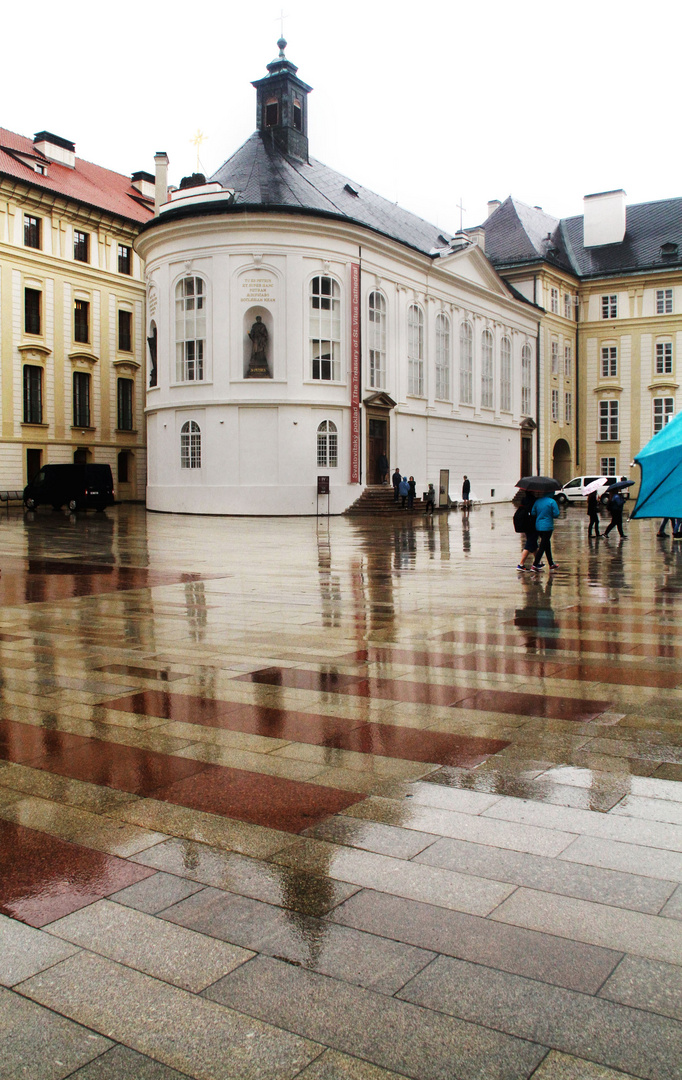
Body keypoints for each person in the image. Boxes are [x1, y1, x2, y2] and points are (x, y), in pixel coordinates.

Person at [531, 492, 560, 571]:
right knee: (543, 546)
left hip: (538, 526)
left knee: (547, 544)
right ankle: (535, 564)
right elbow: (556, 514)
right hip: (547, 527)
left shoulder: (538, 501)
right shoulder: (552, 502)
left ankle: (551, 563)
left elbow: (533, 513)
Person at [514, 492, 539, 570]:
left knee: (533, 543)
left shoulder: (524, 500)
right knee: (529, 544)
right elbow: (534, 512)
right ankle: (521, 564)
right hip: (532, 525)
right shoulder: (534, 501)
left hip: (526, 524)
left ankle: (538, 562)